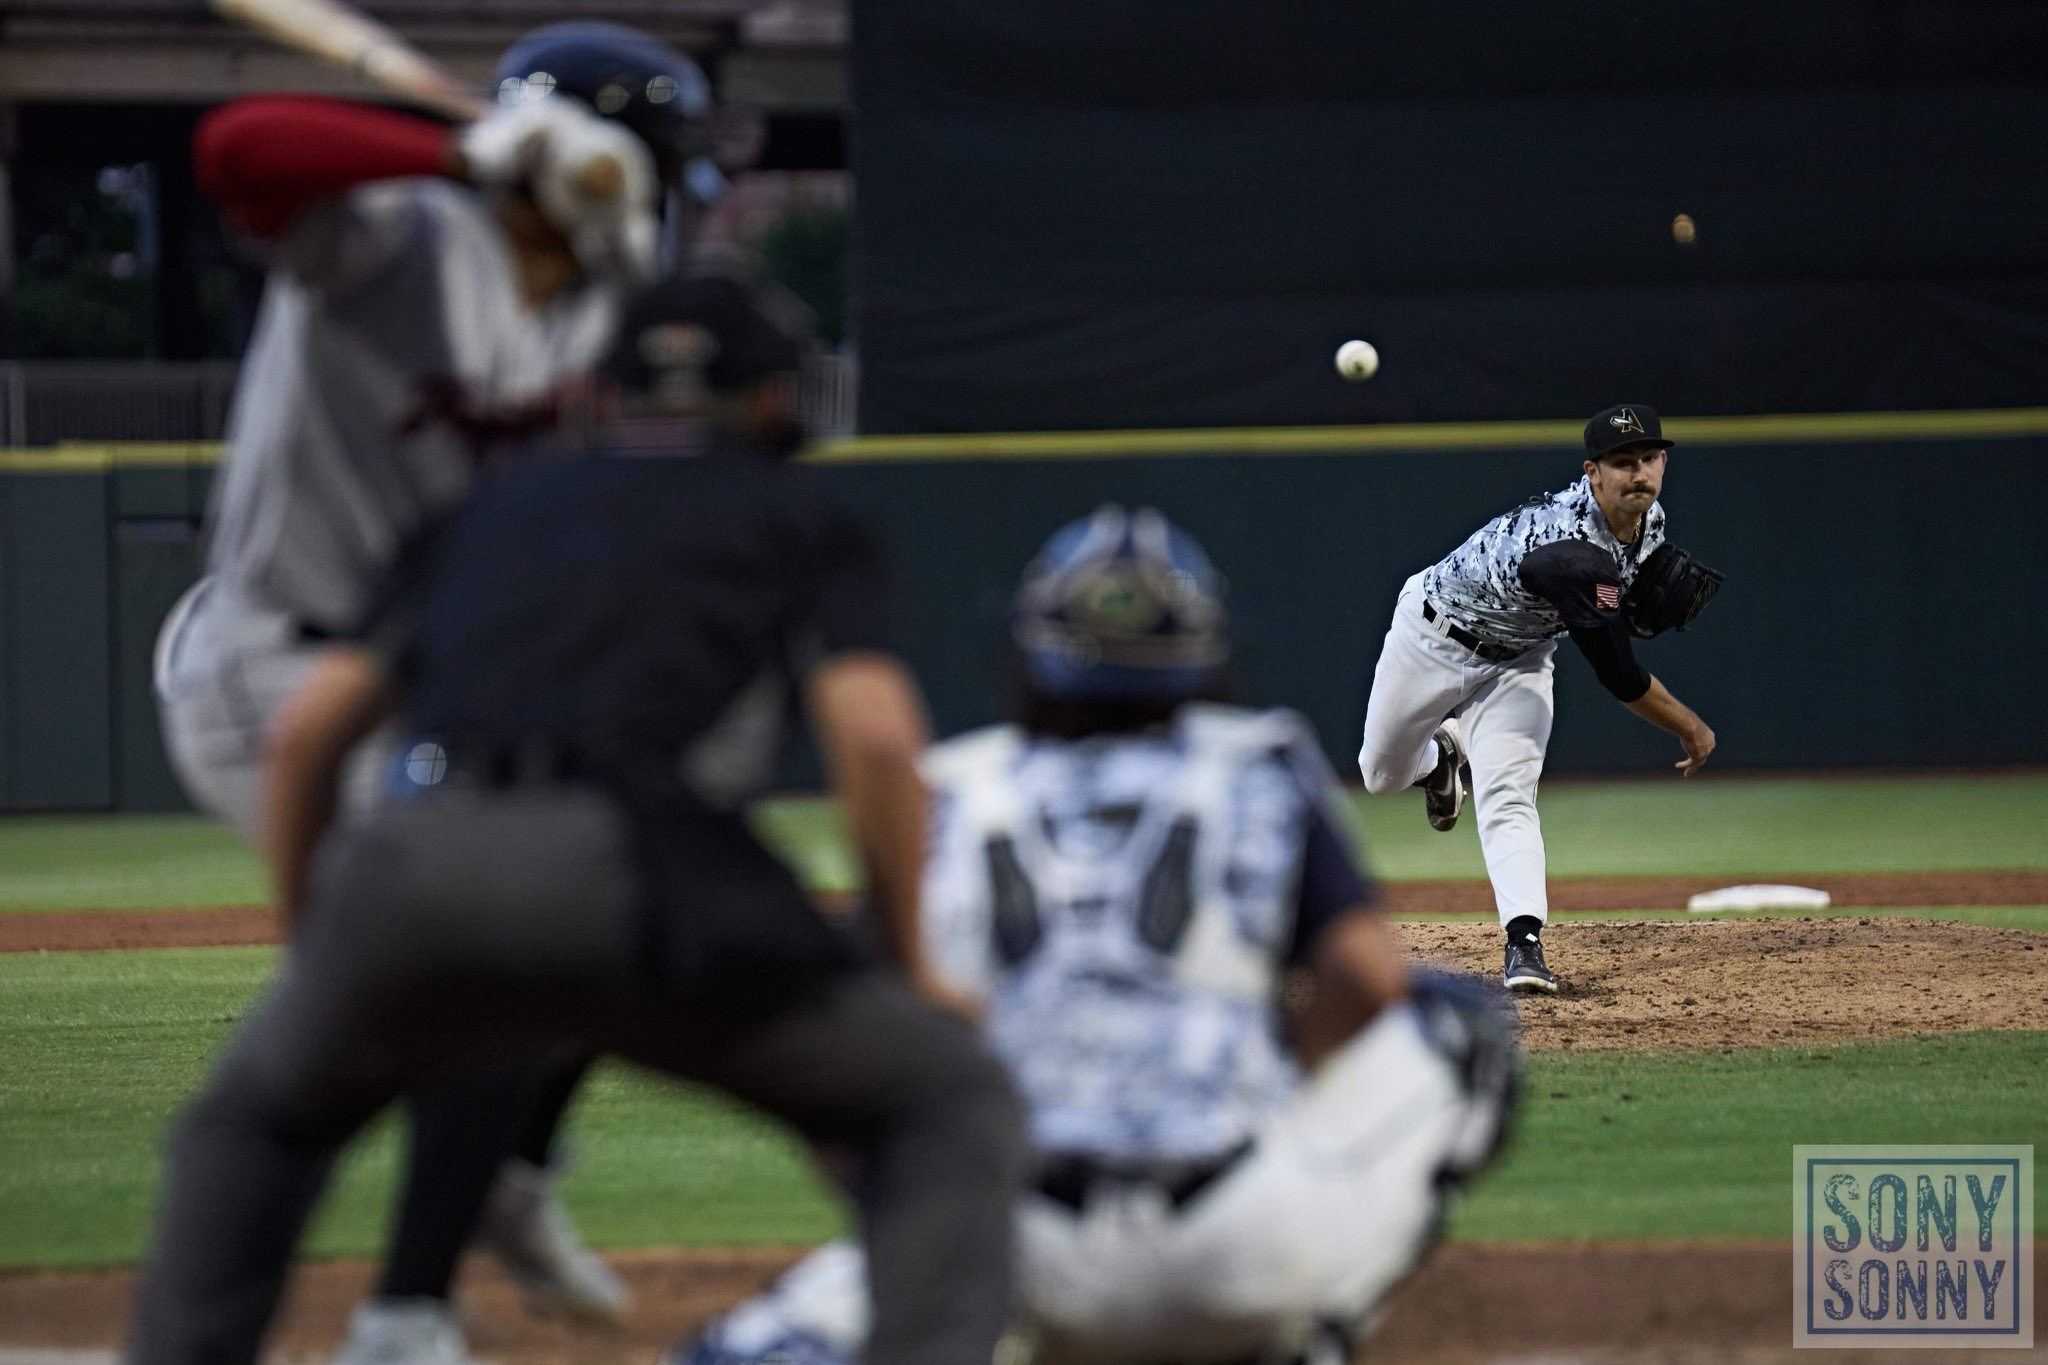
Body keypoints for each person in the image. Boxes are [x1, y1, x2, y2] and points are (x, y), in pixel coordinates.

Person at [126, 272, 1028, 1365]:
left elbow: (310, 734)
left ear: (600, 396)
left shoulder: (487, 506)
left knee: (250, 1129)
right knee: (945, 1098)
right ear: (774, 402)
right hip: (642, 873)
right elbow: (880, 743)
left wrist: (315, 931)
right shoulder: (801, 511)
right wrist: (907, 960)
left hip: (418, 862)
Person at [149, 28, 715, 1362]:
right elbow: (238, 151)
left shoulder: (611, 284)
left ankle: (507, 1170)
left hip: (439, 681)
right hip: (277, 666)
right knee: (483, 946)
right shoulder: (391, 236)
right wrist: (462, 151)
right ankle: (404, 1320)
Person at [672, 505, 1519, 1365]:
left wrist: (901, 1197)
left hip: (1007, 1243)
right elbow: (1367, 978)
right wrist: (1286, 1074)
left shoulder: (952, 791)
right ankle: (1309, 1335)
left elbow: (832, 1037)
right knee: (1463, 1028)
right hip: (1237, 1246)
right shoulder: (1262, 764)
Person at [1356, 404, 1723, 994]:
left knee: (1507, 795)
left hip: (1521, 657)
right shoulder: (1569, 548)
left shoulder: (1648, 520)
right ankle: (1442, 759)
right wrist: (1693, 728)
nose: (1639, 474)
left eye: (1649, 458)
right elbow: (1619, 676)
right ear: (1592, 472)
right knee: (1380, 775)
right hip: (1434, 636)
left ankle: (1523, 944)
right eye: (1621, 462)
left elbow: (1613, 603)